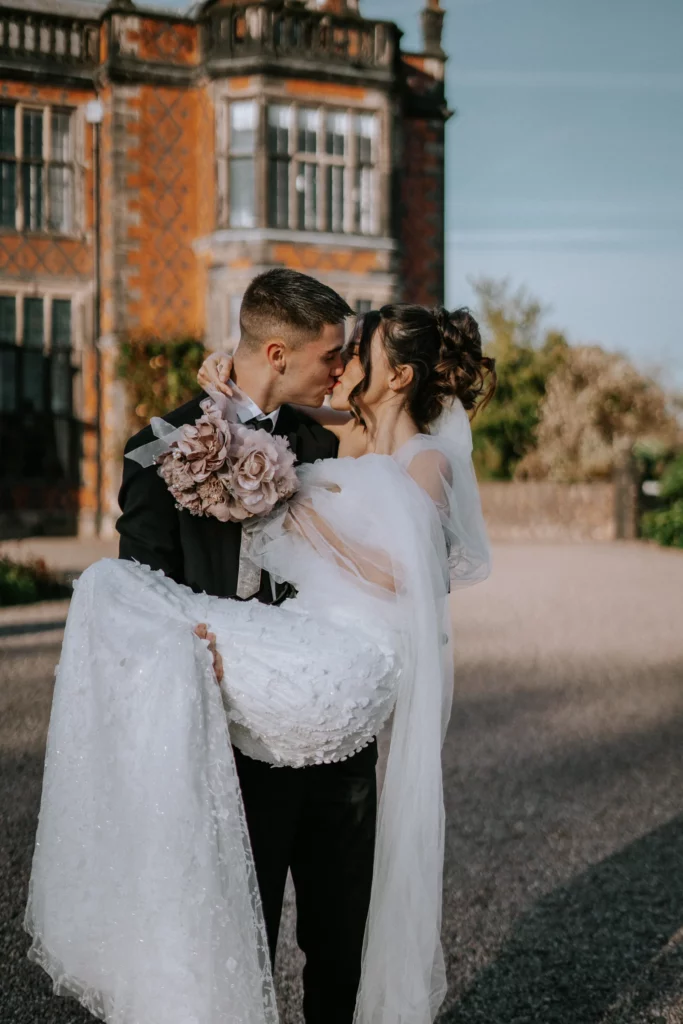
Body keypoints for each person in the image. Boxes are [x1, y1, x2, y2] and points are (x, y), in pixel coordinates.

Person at [25, 298, 495, 1024]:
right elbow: (150, 585)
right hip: (237, 729)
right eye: (332, 353)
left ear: (394, 374)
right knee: (239, 926)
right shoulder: (167, 445)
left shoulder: (322, 437)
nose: (340, 366)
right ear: (278, 353)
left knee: (340, 937)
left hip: (336, 724)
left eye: (352, 353)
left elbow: (403, 562)